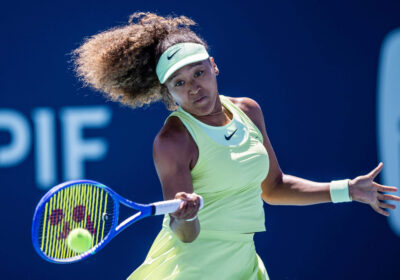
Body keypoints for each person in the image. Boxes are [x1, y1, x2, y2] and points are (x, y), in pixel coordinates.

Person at [71, 12, 400, 280]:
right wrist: (185, 216)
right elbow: (186, 234)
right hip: (193, 272)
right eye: (180, 83)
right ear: (168, 93)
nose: (194, 88)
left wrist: (348, 190)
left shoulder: (248, 111)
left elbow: (273, 187)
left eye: (199, 73)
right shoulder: (173, 141)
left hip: (244, 267)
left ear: (213, 66)